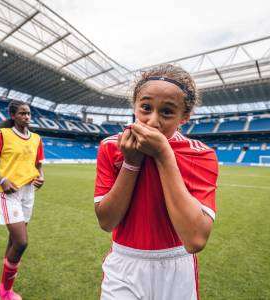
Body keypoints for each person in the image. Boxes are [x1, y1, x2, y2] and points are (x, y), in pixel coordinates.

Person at [94, 64, 219, 299]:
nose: (152, 121)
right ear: (134, 106)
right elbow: (106, 221)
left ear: (185, 116)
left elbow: (195, 239)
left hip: (176, 265)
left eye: (167, 112)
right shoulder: (111, 147)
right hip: (124, 264)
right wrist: (131, 164)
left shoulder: (201, 154)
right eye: (146, 108)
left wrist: (163, 154)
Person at [0, 100, 45, 300]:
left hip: (28, 193)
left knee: (13, 239)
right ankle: (6, 291)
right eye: (22, 113)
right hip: (9, 193)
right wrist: (2, 180)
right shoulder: (3, 135)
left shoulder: (36, 138)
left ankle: (3, 286)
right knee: (21, 241)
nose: (26, 116)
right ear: (13, 115)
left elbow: (38, 164)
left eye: (28, 113)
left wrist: (41, 176)